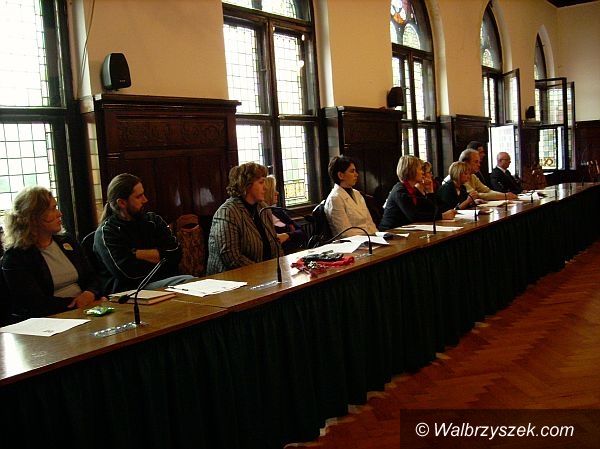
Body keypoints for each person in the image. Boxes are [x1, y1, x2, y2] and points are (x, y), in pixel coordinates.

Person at [1, 186, 105, 319]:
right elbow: (33, 303)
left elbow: (92, 277)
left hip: (86, 309)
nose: (59, 214)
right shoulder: (16, 257)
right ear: (33, 217)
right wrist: (79, 303)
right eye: (52, 209)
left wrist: (90, 293)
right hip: (52, 318)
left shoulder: (67, 242)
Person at [94, 173, 191, 293]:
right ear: (122, 203)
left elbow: (176, 253)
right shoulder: (107, 232)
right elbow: (127, 274)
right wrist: (161, 258)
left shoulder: (153, 221)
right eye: (139, 196)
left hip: (164, 281)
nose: (145, 200)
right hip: (132, 291)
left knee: (194, 283)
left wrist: (135, 253)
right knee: (189, 282)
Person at [207, 162, 283, 275]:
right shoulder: (227, 212)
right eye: (261, 182)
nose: (266, 187)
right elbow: (232, 258)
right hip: (230, 280)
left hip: (264, 276)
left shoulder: (263, 208)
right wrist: (263, 272)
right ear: (246, 185)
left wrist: (281, 268)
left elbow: (275, 244)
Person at [378, 156, 456, 230]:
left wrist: (430, 191)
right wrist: (442, 216)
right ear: (411, 171)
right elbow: (414, 216)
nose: (422, 172)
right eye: (420, 169)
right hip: (390, 232)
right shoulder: (400, 191)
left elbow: (432, 209)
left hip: (405, 230)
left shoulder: (413, 189)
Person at [324, 156, 378, 237]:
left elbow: (370, 223)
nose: (356, 174)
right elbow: (345, 233)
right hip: (351, 242)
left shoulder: (357, 194)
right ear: (340, 175)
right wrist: (369, 238)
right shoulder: (335, 199)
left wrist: (378, 237)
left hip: (369, 239)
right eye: (352, 171)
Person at [263, 175, 306, 254]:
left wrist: (287, 235)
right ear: (265, 193)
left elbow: (302, 232)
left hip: (295, 253)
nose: (277, 193)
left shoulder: (278, 211)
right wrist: (292, 233)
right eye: (273, 190)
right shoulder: (261, 216)